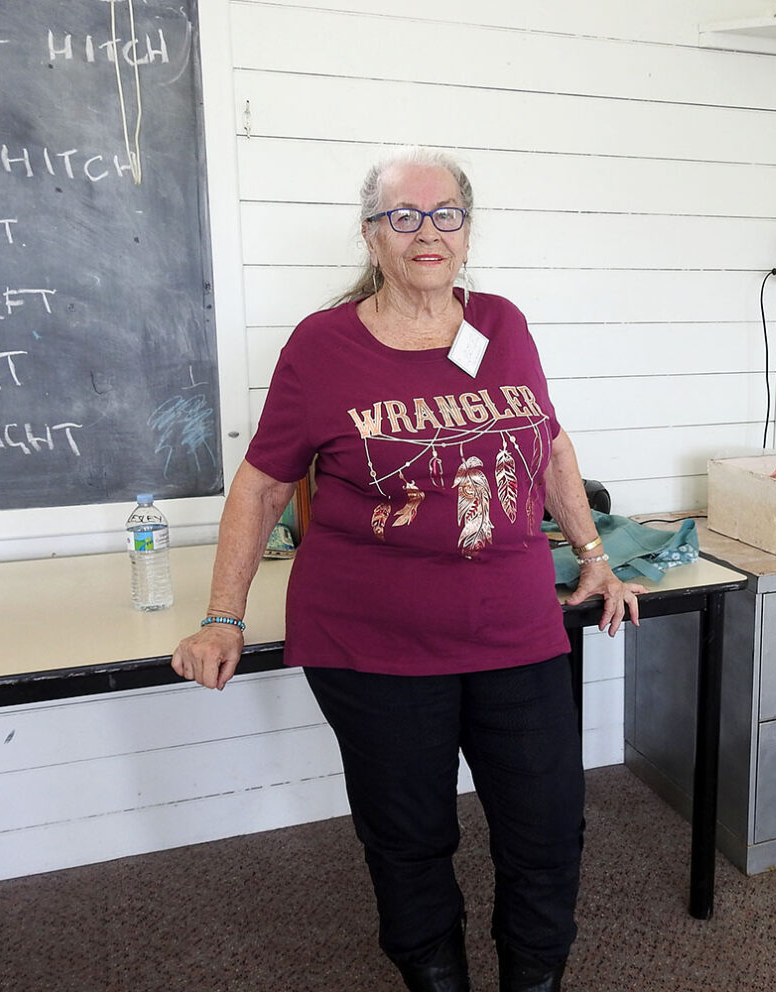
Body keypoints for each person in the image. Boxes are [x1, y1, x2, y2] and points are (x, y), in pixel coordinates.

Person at [172, 146, 645, 992]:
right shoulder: (322, 347)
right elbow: (263, 482)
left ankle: (534, 981)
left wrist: (597, 559)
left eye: (447, 214)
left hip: (514, 630)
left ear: (467, 231)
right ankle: (437, 980)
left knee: (546, 829)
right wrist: (222, 615)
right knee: (410, 837)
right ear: (372, 235)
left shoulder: (503, 322)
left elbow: (549, 443)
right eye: (405, 215)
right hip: (374, 645)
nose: (428, 231)